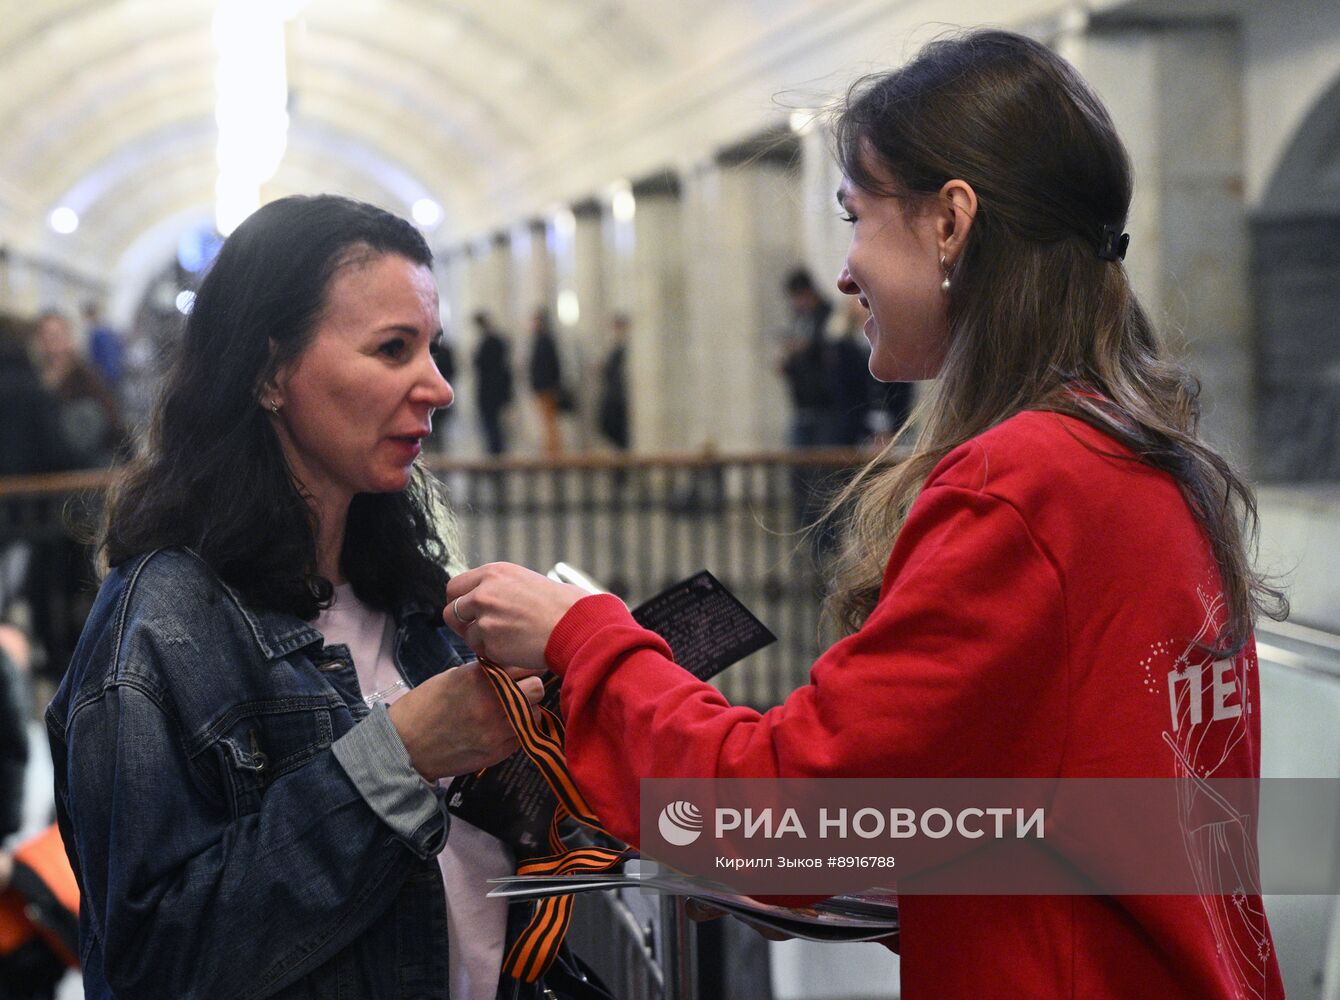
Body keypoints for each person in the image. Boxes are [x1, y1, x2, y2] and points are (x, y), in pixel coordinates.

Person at [442, 30, 1287, 999]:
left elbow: (783, 812)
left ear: (950, 223)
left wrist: (582, 636)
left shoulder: (1021, 488)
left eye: (854, 217)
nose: (844, 273)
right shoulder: (1135, 455)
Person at [45, 195, 558, 1000]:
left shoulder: (413, 597)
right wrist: (398, 759)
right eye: (393, 349)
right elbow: (156, 963)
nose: (438, 387)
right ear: (269, 373)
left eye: (432, 348)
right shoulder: (160, 633)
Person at [32, 309, 125, 468]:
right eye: (45, 336)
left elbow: (111, 421)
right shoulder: (32, 381)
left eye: (55, 336)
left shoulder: (87, 378)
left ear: (68, 338)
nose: (50, 343)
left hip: (86, 466)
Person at [472, 311, 515, 457]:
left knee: (492, 424)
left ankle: (496, 452)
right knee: (493, 424)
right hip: (494, 390)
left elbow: (482, 363)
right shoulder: (495, 341)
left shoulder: (490, 342)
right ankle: (496, 450)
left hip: (490, 390)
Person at [527, 308, 565, 456]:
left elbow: (552, 365)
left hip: (547, 387)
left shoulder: (546, 341)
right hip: (541, 387)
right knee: (545, 422)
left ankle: (553, 453)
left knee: (550, 422)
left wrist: (554, 386)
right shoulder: (539, 340)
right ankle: (550, 451)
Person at [595, 313, 630, 451]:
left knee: (618, 427)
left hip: (618, 394)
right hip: (612, 390)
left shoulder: (626, 345)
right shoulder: (616, 345)